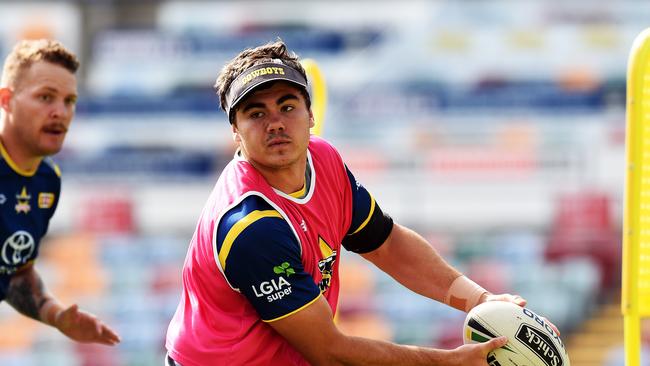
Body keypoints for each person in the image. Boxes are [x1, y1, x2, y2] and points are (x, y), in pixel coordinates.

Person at [165, 40, 541, 365]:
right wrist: (446, 363)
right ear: (235, 132)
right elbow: (331, 353)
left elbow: (386, 243)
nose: (275, 123)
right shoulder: (251, 226)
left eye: (287, 106)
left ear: (311, 115)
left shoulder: (324, 160)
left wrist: (479, 300)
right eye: (256, 113)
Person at [0, 39, 120, 346]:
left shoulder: (47, 181)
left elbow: (14, 273)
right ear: (6, 100)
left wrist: (55, 315)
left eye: (69, 101)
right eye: (45, 97)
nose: (60, 112)